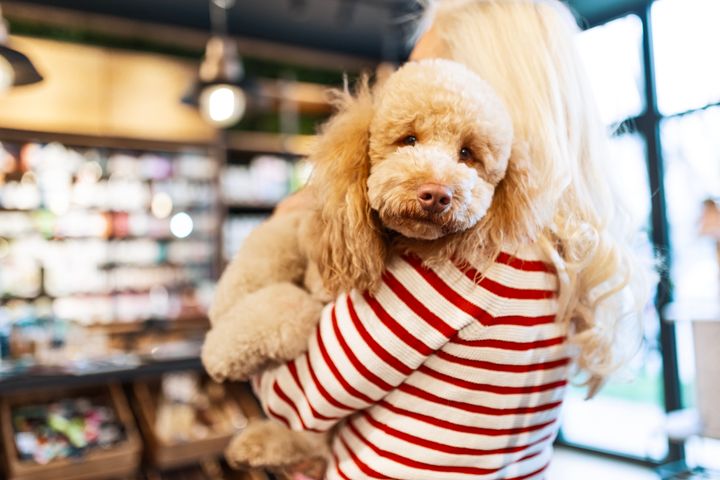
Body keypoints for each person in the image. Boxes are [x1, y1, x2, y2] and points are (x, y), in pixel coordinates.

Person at [255, 1, 653, 478]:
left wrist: (265, 270)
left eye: (424, 71)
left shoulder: (457, 259)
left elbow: (297, 397)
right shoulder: (561, 253)